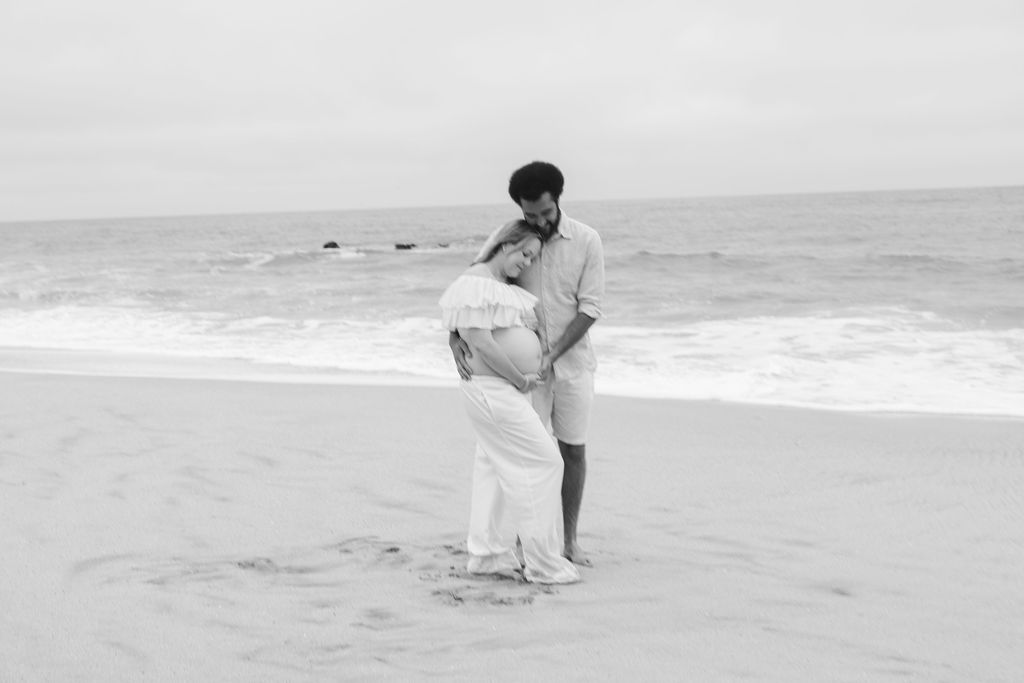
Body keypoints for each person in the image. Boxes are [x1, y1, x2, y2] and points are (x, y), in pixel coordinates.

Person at [450, 161, 605, 566]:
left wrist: (553, 353)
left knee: (571, 451)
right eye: (529, 214)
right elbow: (474, 289)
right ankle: (526, 542)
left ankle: (568, 541)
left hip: (571, 366)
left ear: (558, 201)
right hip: (517, 376)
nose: (538, 222)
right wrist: (455, 336)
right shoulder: (511, 238)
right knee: (522, 454)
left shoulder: (587, 240)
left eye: (545, 213)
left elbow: (590, 309)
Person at [439, 219, 581, 584]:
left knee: (494, 469)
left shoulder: (493, 283)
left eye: (534, 257)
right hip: (493, 390)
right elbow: (479, 339)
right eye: (525, 254)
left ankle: (488, 556)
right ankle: (543, 563)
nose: (528, 263)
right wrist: (520, 379)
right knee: (545, 462)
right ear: (506, 244)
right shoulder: (478, 281)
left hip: (497, 389)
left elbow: (468, 330)